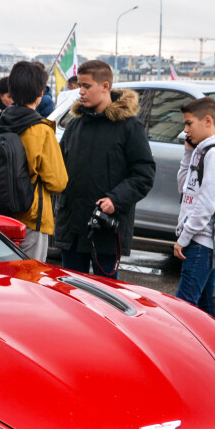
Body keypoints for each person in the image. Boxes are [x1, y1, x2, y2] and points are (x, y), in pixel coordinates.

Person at [54, 59, 155, 279]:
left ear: (105, 86)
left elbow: (144, 174)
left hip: (106, 229)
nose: (80, 92)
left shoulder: (129, 127)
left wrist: (114, 200)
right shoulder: (75, 125)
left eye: (86, 86)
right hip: (72, 227)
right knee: (71, 296)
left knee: (106, 299)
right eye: (79, 85)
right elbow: (59, 169)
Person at [0, 61, 67, 260]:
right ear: (40, 94)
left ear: (12, 91)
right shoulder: (41, 131)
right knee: (28, 280)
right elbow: (58, 181)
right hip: (29, 220)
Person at [173, 97, 215, 322]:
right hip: (203, 242)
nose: (185, 130)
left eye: (189, 123)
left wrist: (185, 236)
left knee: (183, 309)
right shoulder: (203, 152)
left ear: (207, 121)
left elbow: (208, 203)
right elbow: (185, 187)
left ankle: (181, 356)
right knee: (205, 311)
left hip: (202, 242)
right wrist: (188, 153)